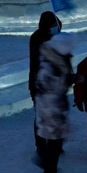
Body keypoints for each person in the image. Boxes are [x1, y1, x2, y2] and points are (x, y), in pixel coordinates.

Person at [35, 32, 75, 173]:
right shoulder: (51, 69)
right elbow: (51, 94)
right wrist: (58, 116)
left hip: (54, 111)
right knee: (54, 146)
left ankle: (45, 163)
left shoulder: (56, 60)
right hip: (52, 113)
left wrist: (72, 79)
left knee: (55, 144)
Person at [29, 10, 63, 163]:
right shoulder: (37, 39)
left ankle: (55, 144)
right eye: (52, 26)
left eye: (56, 25)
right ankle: (41, 148)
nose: (55, 28)